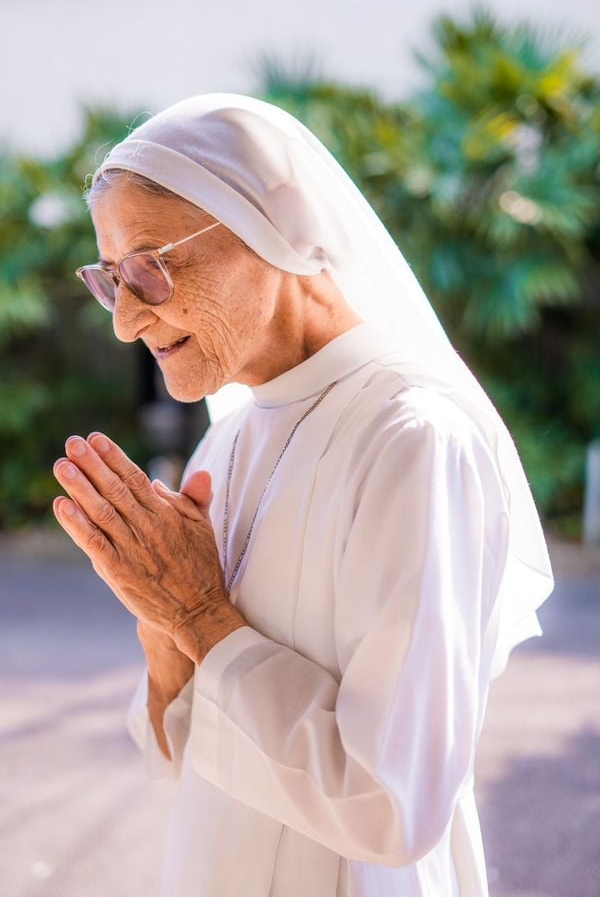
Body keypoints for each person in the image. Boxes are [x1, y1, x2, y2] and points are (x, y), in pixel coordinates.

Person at [52, 93, 555, 896]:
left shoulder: (415, 438)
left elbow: (393, 805)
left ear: (276, 223)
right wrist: (163, 639)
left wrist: (198, 617)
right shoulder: (229, 437)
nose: (127, 321)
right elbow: (186, 760)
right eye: (112, 278)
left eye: (151, 263)